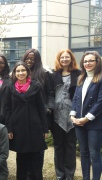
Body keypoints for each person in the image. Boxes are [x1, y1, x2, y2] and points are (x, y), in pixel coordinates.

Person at [3, 62, 48, 180]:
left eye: (23, 70)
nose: (20, 73)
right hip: (18, 128)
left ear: (27, 72)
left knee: (36, 159)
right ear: (14, 73)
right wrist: (9, 128)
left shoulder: (36, 86)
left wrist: (44, 128)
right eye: (18, 71)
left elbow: (41, 108)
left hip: (35, 126)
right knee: (21, 159)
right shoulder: (9, 87)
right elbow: (7, 109)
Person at [70, 51, 102, 180]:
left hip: (95, 123)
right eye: (85, 61)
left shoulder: (100, 78)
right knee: (83, 153)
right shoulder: (81, 78)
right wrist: (72, 115)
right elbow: (76, 99)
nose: (87, 63)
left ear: (97, 62)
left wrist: (87, 118)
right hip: (79, 122)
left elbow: (100, 101)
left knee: (94, 154)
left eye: (90, 61)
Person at [51, 49, 80, 180]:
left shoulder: (79, 74)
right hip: (56, 116)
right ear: (59, 59)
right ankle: (60, 174)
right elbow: (49, 94)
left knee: (70, 146)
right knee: (58, 146)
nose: (64, 59)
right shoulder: (53, 75)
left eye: (67, 57)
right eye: (62, 57)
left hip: (73, 116)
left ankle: (69, 175)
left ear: (71, 59)